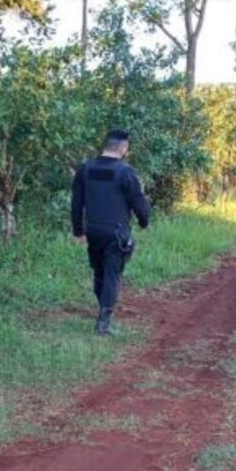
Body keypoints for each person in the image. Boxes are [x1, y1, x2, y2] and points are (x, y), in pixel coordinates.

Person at [70, 129, 151, 335]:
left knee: (99, 272)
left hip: (94, 230)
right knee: (112, 275)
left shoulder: (86, 169)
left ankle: (103, 312)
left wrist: (79, 230)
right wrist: (144, 221)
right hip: (116, 233)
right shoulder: (125, 172)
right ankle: (103, 323)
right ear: (123, 149)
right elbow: (138, 201)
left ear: (106, 145)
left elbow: (76, 203)